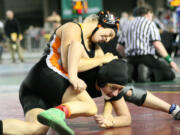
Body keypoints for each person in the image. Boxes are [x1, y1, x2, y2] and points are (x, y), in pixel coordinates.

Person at [0, 11, 120, 135]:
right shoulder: (74, 28)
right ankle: (58, 112)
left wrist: (107, 112)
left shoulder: (97, 51)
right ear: (99, 24)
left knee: (36, 129)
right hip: (46, 74)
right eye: (109, 34)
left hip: (35, 89)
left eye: (111, 38)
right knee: (90, 106)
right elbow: (68, 65)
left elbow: (108, 83)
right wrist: (101, 60)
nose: (107, 39)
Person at [37, 59, 180, 135]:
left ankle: (173, 109)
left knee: (127, 92)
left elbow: (126, 118)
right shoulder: (85, 73)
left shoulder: (109, 82)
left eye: (118, 89)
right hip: (53, 88)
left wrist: (110, 121)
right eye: (113, 88)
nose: (115, 92)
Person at [116, 6, 180, 82]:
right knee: (169, 74)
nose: (151, 17)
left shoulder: (127, 25)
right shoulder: (150, 24)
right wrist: (170, 61)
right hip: (146, 57)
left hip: (131, 58)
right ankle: (148, 72)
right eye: (151, 15)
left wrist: (127, 57)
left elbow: (119, 47)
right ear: (148, 13)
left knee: (135, 70)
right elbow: (157, 45)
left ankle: (132, 73)